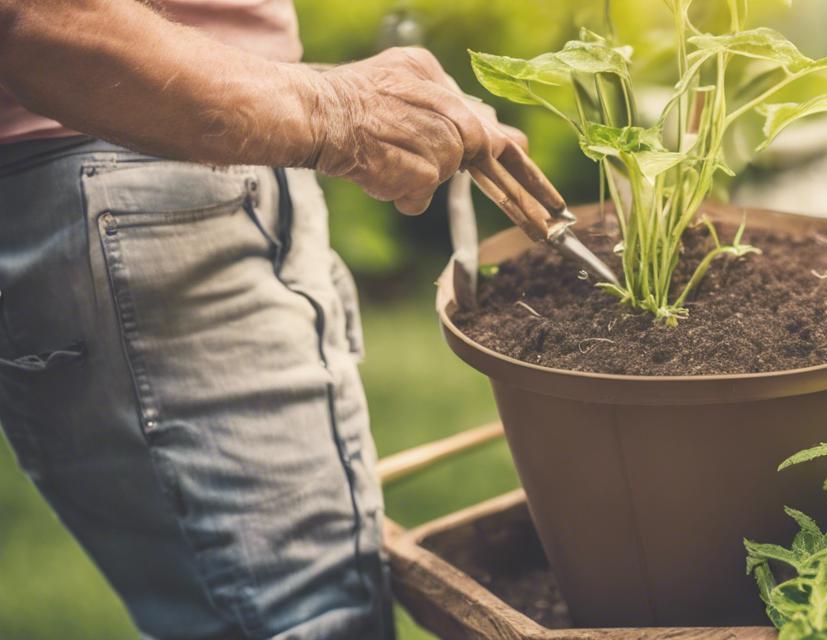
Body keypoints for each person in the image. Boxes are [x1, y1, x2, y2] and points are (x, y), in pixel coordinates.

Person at [0, 0, 529, 637]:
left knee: (226, 607)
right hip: (142, 175)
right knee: (304, 614)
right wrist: (332, 108)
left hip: (145, 166)